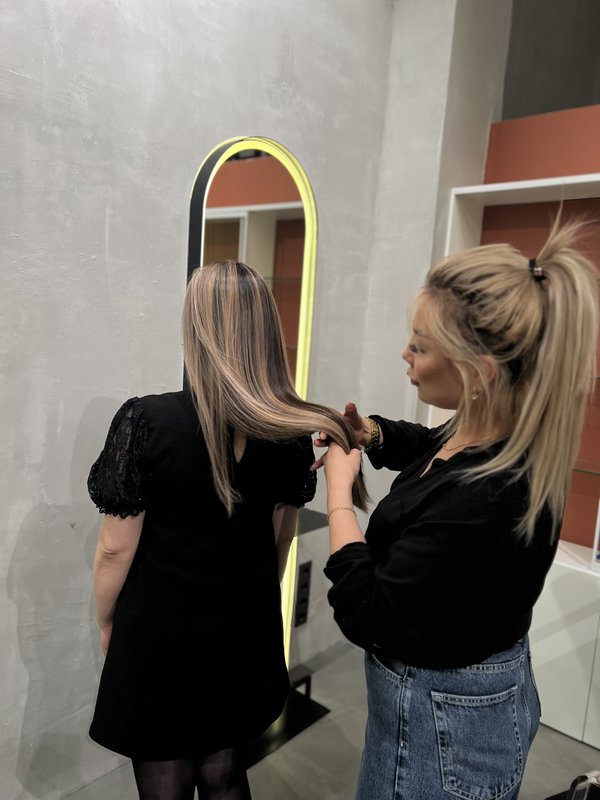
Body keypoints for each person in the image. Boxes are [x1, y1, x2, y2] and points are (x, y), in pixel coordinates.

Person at [316, 218, 599, 800]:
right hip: (462, 701)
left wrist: (339, 495)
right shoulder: (491, 429)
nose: (405, 354)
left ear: (479, 372)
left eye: (420, 346)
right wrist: (372, 434)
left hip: (441, 731)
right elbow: (433, 449)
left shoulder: (487, 498)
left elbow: (369, 612)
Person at [87, 260, 367, 800]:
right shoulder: (289, 432)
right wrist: (252, 601)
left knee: (166, 783)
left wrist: (105, 620)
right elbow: (279, 540)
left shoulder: (146, 422)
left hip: (160, 634)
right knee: (224, 774)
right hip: (243, 627)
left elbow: (114, 552)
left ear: (198, 330)